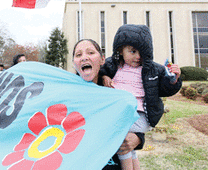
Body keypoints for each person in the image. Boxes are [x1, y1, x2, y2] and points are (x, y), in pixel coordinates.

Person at [100, 24, 182, 170]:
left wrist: (174, 80)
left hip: (141, 116)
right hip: (123, 112)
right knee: (128, 147)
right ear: (120, 50)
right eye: (132, 51)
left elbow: (165, 88)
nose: (138, 57)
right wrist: (105, 77)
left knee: (122, 138)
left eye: (142, 52)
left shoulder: (152, 70)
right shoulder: (114, 66)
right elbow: (100, 71)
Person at [72, 39, 143, 170]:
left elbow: (133, 118)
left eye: (91, 52)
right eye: (78, 55)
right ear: (74, 64)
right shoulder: (69, 95)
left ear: (102, 60)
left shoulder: (115, 90)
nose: (84, 58)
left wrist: (138, 138)